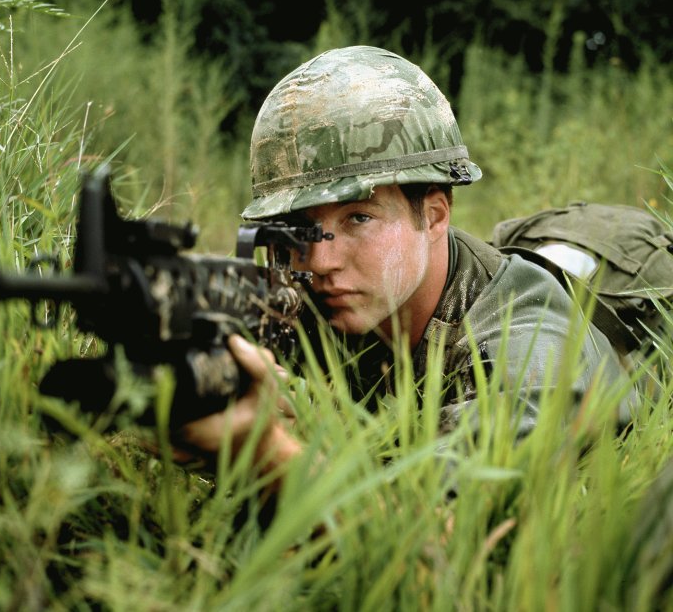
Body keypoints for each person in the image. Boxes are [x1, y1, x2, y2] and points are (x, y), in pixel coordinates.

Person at [176, 46, 637, 487]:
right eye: (300, 228)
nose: (321, 262)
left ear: (434, 215)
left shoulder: (529, 347)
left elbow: (434, 519)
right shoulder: (316, 300)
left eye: (358, 218)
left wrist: (269, 452)